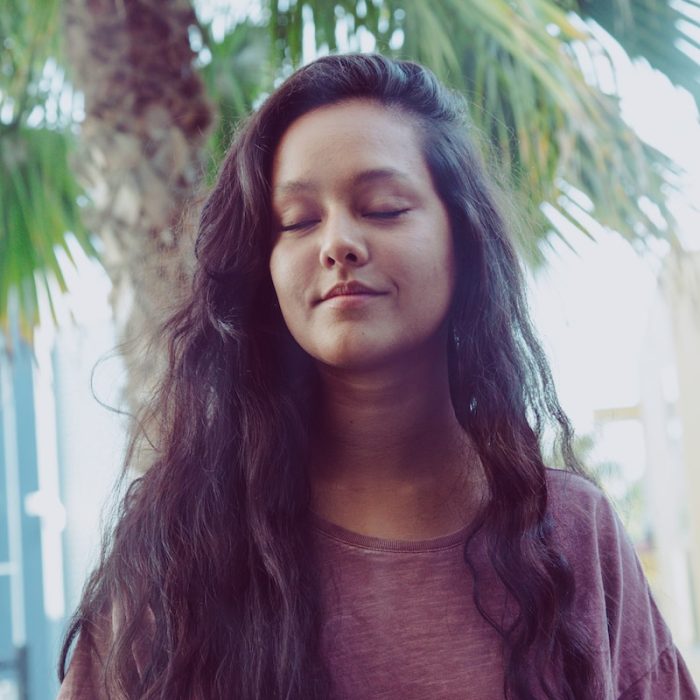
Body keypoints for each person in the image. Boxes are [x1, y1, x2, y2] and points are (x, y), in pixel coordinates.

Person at [58, 53, 699, 699]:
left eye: (385, 208)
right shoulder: (180, 543)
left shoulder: (570, 532)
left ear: (462, 238)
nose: (338, 243)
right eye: (299, 221)